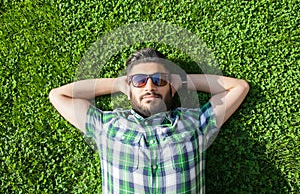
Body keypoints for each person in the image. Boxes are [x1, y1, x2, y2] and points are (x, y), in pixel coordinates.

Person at [49, 48, 249, 193]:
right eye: (139, 80)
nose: (149, 86)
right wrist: (118, 83)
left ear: (170, 87)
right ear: (129, 88)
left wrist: (183, 80)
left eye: (159, 79)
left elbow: (239, 87)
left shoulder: (194, 123)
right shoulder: (107, 127)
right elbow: (58, 95)